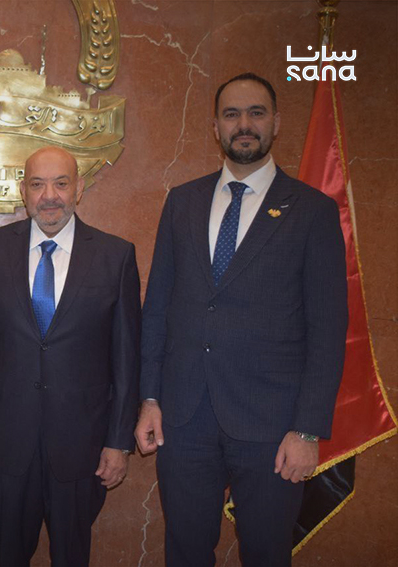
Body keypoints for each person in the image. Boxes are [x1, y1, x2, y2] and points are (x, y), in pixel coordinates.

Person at [135, 72, 348, 567]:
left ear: (276, 122)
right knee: (185, 552)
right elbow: (158, 307)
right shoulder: (182, 202)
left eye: (256, 113)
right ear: (215, 126)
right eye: (232, 114)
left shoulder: (312, 211)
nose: (244, 124)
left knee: (267, 553)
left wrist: (308, 430)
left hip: (273, 426)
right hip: (184, 418)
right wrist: (150, 398)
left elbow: (327, 329)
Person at [0, 146, 141, 567]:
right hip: (4, 443)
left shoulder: (115, 256)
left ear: (79, 188)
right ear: (23, 191)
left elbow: (127, 359)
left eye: (61, 183)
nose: (49, 195)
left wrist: (119, 441)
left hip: (82, 446)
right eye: (37, 184)